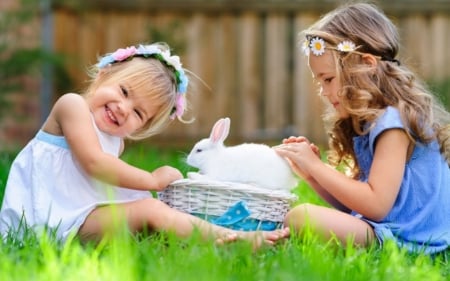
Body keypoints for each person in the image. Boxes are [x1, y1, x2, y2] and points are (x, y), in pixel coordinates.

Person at [0, 42, 288, 246]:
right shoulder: (72, 106)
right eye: (124, 91)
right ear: (104, 75)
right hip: (41, 224)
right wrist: (151, 180)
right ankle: (232, 238)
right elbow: (95, 164)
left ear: (143, 126)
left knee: (152, 213)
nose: (124, 108)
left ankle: (208, 237)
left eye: (138, 113)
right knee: (151, 211)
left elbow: (108, 187)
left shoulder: (116, 142)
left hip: (75, 221)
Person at [275, 3, 450, 254]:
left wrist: (316, 167)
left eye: (328, 79)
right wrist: (312, 174)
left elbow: (375, 204)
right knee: (298, 218)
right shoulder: (371, 121)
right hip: (392, 232)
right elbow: (357, 207)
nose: (323, 91)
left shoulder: (393, 123)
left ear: (367, 64)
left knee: (300, 217)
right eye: (319, 82)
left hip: (415, 242)